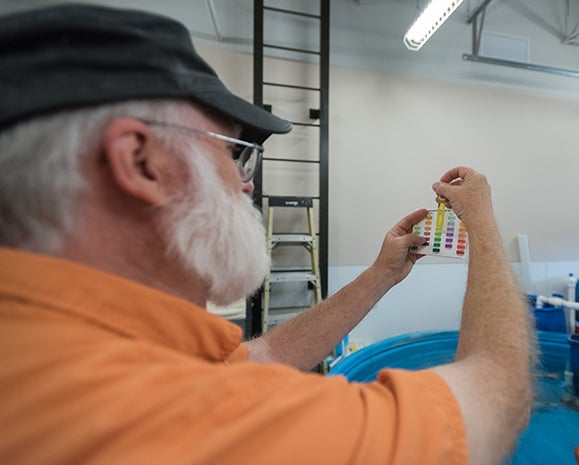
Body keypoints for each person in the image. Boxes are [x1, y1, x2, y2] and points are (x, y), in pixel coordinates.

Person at [0, 4, 534, 465]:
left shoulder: (55, 346)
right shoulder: (155, 411)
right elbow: (499, 400)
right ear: (141, 160)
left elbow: (269, 357)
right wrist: (482, 222)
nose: (247, 180)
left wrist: (381, 274)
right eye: (233, 152)